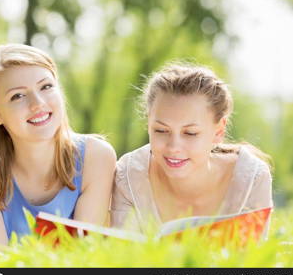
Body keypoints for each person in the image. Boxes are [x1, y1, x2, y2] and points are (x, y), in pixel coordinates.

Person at [0, 44, 116, 246]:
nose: (38, 103)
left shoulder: (96, 157)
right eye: (18, 96)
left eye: (46, 86)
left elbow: (80, 255)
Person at [110, 63, 273, 236]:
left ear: (218, 131)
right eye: (161, 130)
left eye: (190, 133)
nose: (173, 147)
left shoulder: (251, 179)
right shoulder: (129, 175)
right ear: (149, 124)